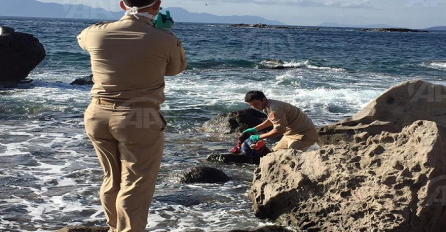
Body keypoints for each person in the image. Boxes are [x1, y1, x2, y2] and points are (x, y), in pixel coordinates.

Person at [77, 0, 187, 231]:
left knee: (111, 178)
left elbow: (82, 41)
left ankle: (113, 227)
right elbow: (175, 69)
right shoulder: (164, 39)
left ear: (121, 4)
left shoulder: (94, 33)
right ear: (156, 5)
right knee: (136, 183)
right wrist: (163, 32)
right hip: (140, 116)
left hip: (98, 114)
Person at [243, 91, 318, 152]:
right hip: (289, 134)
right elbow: (272, 120)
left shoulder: (274, 108)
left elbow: (279, 130)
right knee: (273, 154)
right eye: (252, 105)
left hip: (304, 135)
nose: (255, 107)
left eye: (256, 104)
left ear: (264, 99)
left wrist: (259, 137)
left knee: (290, 156)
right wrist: (256, 129)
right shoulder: (268, 105)